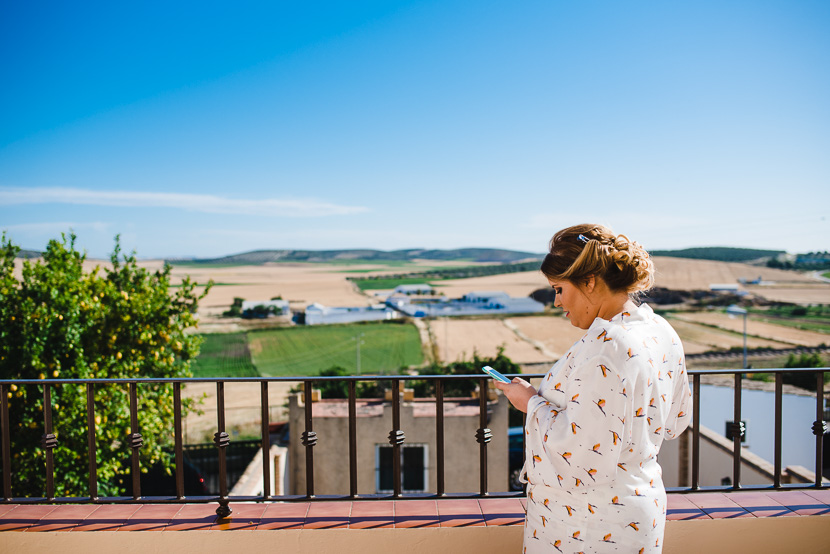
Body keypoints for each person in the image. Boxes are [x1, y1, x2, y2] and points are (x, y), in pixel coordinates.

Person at [495, 224, 691, 553]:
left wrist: (530, 402)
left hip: (589, 524)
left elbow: (581, 458)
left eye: (559, 289)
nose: (557, 302)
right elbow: (676, 421)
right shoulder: (660, 330)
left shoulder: (607, 345)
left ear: (589, 282)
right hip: (638, 506)